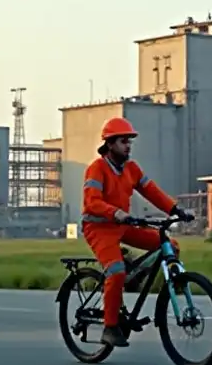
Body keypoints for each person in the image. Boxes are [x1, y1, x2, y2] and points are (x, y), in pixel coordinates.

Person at [82, 116, 192, 347]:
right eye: (124, 141)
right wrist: (115, 213)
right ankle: (110, 327)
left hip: (124, 225)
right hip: (99, 228)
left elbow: (151, 191)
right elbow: (92, 202)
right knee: (116, 272)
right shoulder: (97, 168)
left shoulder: (131, 169)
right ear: (110, 144)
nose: (128, 146)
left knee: (170, 246)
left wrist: (175, 209)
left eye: (130, 141)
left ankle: (170, 288)